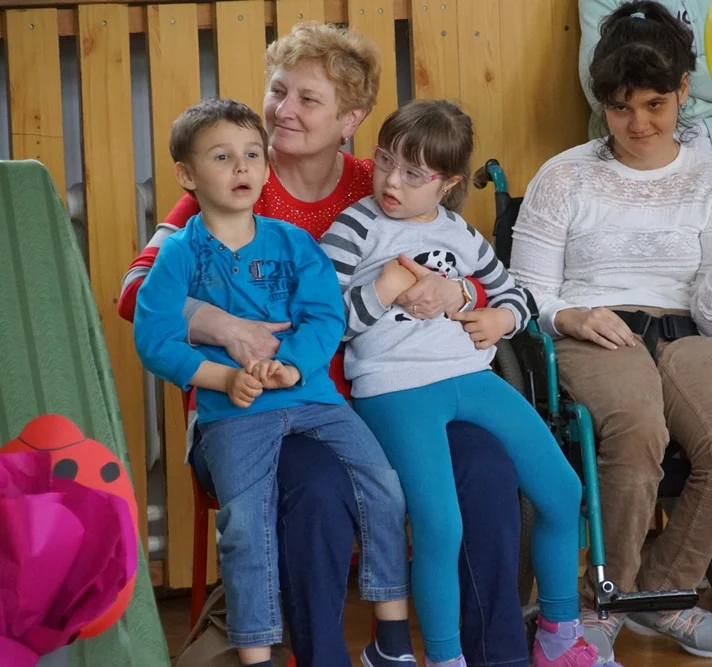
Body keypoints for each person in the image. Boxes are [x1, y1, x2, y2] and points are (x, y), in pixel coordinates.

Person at [117, 22, 529, 667]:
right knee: (318, 485)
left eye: (308, 99)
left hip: (391, 399)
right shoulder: (233, 182)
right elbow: (135, 290)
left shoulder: (384, 180)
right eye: (278, 90)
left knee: (487, 467)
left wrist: (464, 295)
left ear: (351, 119)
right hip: (257, 409)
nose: (283, 109)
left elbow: (460, 262)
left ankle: (495, 657)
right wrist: (226, 327)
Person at [510, 1, 712, 659]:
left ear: (683, 90)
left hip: (691, 334)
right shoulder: (564, 175)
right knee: (637, 425)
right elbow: (525, 289)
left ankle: (665, 592)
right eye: (620, 108)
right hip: (593, 328)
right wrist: (570, 315)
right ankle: (607, 599)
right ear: (603, 102)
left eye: (655, 104)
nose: (639, 124)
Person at [323, 99, 617, 667]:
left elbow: (516, 295)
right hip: (395, 389)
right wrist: (383, 289)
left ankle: (559, 637)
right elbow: (324, 322)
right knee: (440, 525)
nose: (392, 182)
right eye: (385, 161)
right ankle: (446, 657)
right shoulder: (356, 226)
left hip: (470, 376)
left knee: (563, 491)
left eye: (415, 174)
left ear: (449, 183)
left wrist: (500, 318)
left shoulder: (458, 231)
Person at [133, 99, 412, 667]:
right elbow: (154, 338)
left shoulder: (293, 242)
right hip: (234, 415)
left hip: (315, 400)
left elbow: (325, 317)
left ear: (265, 167)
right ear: (187, 175)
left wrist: (292, 366)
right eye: (221, 157)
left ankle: (392, 639)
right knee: (246, 526)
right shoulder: (179, 253)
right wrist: (225, 376)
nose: (241, 167)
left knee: (383, 485)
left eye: (252, 155)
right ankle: (257, 656)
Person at [579, 0, 712, 340]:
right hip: (634, 166)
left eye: (658, 100)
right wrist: (681, 91)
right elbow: (599, 82)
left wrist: (669, 86)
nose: (643, 113)